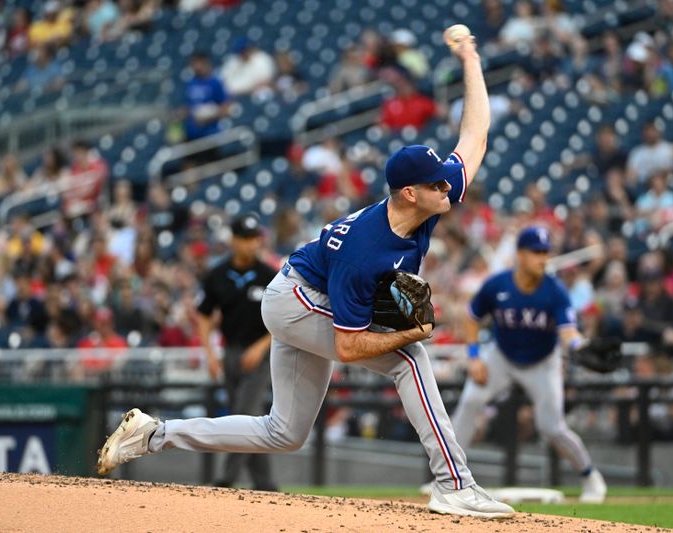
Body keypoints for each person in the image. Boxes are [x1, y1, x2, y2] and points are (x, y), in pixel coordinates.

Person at [97, 27, 515, 519]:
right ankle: (454, 484)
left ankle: (153, 434)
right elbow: (347, 347)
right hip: (295, 298)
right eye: (435, 182)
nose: (448, 185)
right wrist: (413, 332)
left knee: (284, 433)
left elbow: (475, 135)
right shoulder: (366, 251)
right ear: (408, 192)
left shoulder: (426, 203)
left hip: (307, 294)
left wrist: (470, 59)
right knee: (411, 358)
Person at [450, 226, 608, 503]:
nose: (542, 258)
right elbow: (471, 317)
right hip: (502, 356)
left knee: (552, 427)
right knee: (470, 402)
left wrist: (579, 346)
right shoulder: (498, 284)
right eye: (536, 252)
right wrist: (474, 357)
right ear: (520, 255)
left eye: (545, 252)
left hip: (542, 362)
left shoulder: (555, 291)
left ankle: (591, 476)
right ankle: (449, 479)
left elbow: (568, 332)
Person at [196, 213, 279, 491]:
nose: (251, 244)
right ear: (233, 240)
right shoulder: (218, 275)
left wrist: (260, 346)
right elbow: (204, 315)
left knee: (243, 415)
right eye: (245, 238)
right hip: (230, 352)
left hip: (260, 353)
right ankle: (265, 484)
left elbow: (282, 318)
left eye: (255, 238)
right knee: (246, 418)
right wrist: (209, 352)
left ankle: (225, 480)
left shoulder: (269, 275)